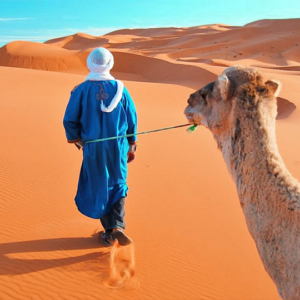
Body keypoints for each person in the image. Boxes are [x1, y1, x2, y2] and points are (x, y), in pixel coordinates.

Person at [63, 47, 137, 246]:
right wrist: (132, 144)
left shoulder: (80, 90)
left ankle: (110, 230)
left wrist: (77, 140)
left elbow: (69, 120)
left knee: (100, 184)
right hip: (118, 147)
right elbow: (131, 118)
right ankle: (116, 227)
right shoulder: (121, 89)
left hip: (93, 148)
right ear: (109, 63)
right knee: (118, 183)